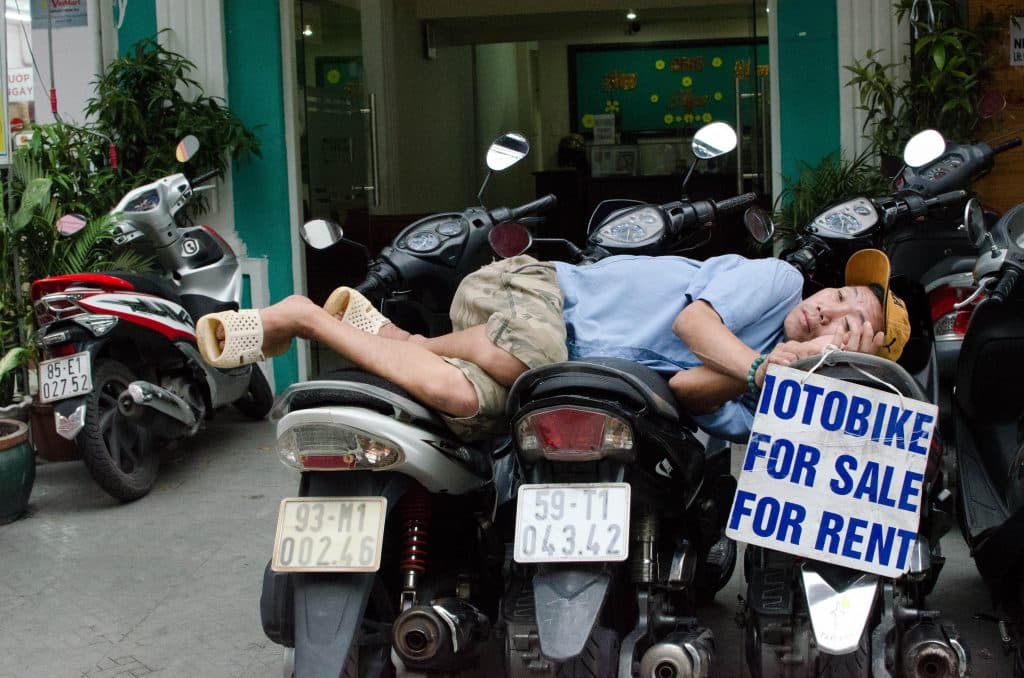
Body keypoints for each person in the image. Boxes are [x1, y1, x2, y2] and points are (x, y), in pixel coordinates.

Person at [196, 248, 909, 443]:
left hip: (556, 358)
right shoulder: (778, 281)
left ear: (850, 359)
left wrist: (768, 381)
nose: (830, 308)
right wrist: (759, 362)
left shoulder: (763, 395)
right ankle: (304, 315)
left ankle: (391, 336)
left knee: (472, 405)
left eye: (851, 325)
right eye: (842, 293)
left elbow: (678, 395)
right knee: (544, 368)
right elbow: (696, 327)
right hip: (536, 289)